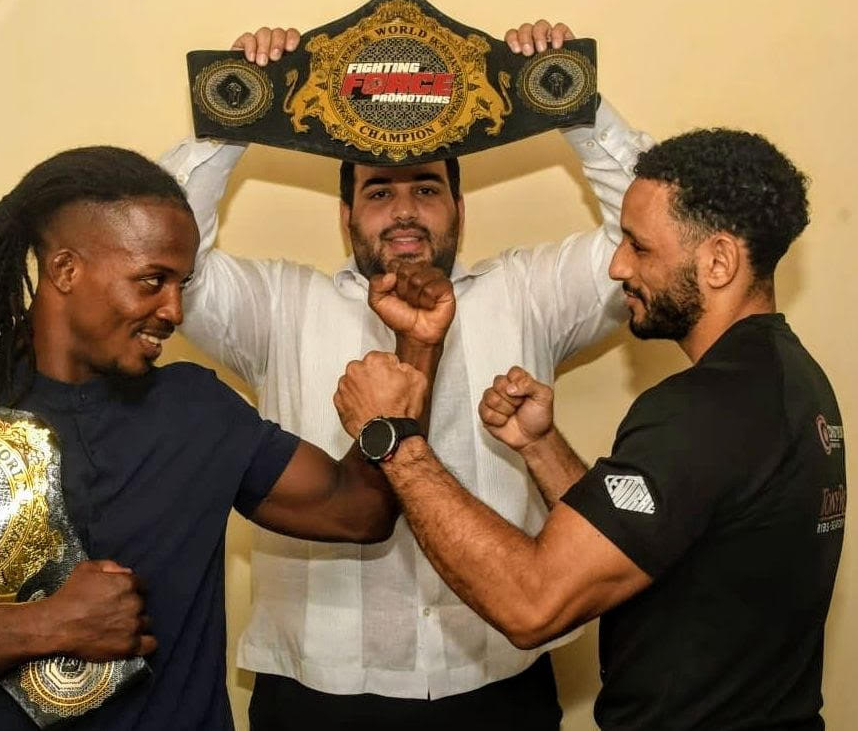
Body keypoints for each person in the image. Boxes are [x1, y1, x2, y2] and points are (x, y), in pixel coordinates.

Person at [0, 145, 433, 731]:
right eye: (152, 280)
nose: (174, 311)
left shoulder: (199, 411)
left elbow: (360, 511)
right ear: (65, 270)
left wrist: (417, 348)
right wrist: (43, 626)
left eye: (181, 283)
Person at [163, 21, 652, 728]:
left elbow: (647, 236)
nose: (403, 212)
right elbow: (169, 260)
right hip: (317, 689)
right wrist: (241, 106)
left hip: (497, 678)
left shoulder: (527, 293)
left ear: (459, 208)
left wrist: (566, 96)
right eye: (378, 193)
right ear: (346, 215)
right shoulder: (279, 306)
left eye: (426, 189)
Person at [334, 129, 846, 730]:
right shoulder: (787, 376)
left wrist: (394, 438)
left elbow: (533, 604)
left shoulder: (702, 409)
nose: (618, 265)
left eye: (639, 246)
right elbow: (638, 544)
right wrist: (541, 447)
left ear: (718, 261)